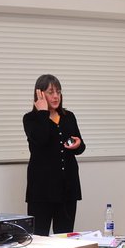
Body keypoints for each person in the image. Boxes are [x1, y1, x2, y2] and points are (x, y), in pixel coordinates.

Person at [23, 74, 86, 235]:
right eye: (51, 92)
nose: (56, 96)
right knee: (39, 238)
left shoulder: (68, 116)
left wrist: (78, 144)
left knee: (65, 237)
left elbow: (80, 147)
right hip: (42, 190)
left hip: (67, 188)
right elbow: (41, 139)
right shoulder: (30, 119)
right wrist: (43, 112)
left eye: (58, 91)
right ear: (40, 94)